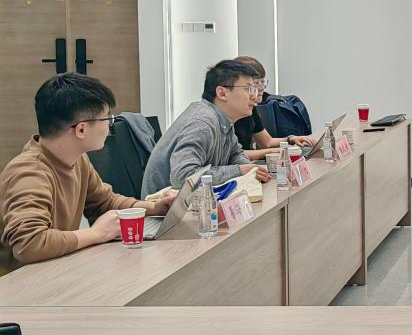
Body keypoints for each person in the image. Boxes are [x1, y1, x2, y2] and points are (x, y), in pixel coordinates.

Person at [0, 74, 175, 271]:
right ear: (81, 129)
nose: (109, 126)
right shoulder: (30, 173)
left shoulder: (77, 159)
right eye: (106, 118)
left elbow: (105, 202)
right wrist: (96, 234)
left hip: (56, 269)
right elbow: (29, 244)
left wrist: (155, 208)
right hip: (21, 283)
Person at [141, 60, 271, 197]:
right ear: (222, 93)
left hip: (199, 201)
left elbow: (236, 155)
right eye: (248, 89)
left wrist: (252, 170)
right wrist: (240, 171)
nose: (254, 96)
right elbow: (183, 177)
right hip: (166, 206)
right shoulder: (202, 123)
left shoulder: (224, 119)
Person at [232, 56, 315, 160]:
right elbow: (231, 155)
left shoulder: (250, 108)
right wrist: (274, 151)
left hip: (245, 164)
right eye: (256, 83)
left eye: (263, 82)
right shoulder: (227, 114)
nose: (262, 88)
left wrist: (292, 139)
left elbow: (267, 142)